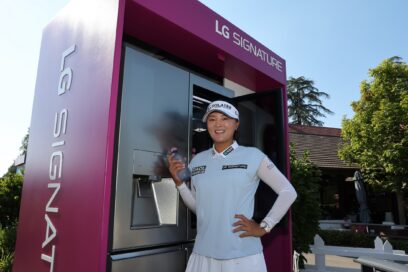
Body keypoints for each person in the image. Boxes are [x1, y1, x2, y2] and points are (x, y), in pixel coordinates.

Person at [168, 100, 297, 272]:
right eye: (212, 119)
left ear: (236, 124)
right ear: (207, 124)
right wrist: (180, 184)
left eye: (225, 119)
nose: (218, 124)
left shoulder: (253, 156)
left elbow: (288, 192)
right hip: (202, 255)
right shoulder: (197, 160)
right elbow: (199, 207)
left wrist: (264, 226)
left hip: (242, 257)